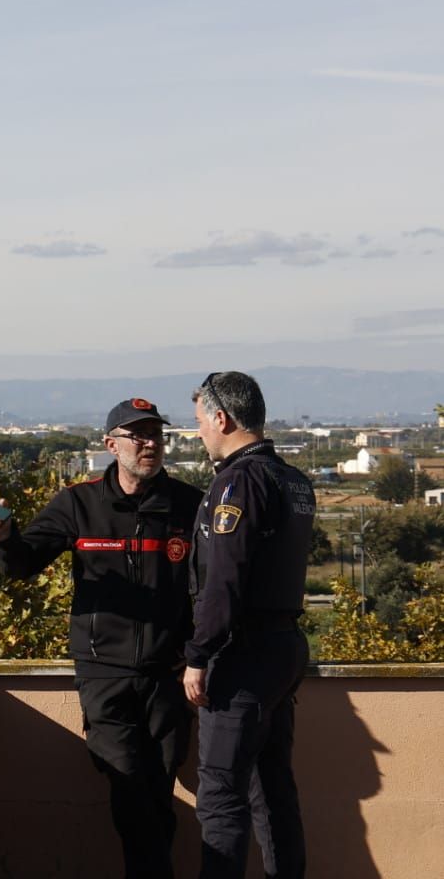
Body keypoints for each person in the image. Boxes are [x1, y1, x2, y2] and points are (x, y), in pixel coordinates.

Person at [0, 398, 202, 879]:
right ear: (110, 445)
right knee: (128, 786)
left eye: (156, 435)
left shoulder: (189, 504)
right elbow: (24, 564)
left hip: (168, 676)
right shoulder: (78, 504)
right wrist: (6, 538)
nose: (149, 444)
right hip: (104, 676)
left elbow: (214, 588)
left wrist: (199, 654)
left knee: (157, 790)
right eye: (137, 435)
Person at [183, 371, 315, 879]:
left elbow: (224, 581)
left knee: (220, 797)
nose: (199, 432)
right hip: (283, 649)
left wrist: (199, 654)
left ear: (222, 419)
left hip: (243, 657)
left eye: (200, 422)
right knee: (273, 788)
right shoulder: (293, 479)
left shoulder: (239, 482)